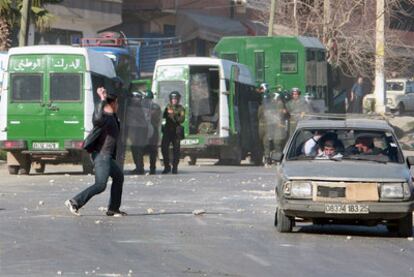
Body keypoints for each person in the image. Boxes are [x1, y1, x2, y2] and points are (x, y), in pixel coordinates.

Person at [65, 87, 126, 216]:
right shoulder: (103, 119)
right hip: (101, 156)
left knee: (119, 177)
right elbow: (97, 119)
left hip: (107, 157)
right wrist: (102, 99)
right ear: (113, 103)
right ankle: (74, 202)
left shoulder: (112, 117)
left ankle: (113, 209)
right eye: (117, 103)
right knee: (100, 185)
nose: (118, 105)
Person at [161, 91, 185, 174]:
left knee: (176, 150)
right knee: (164, 148)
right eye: (173, 99)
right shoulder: (167, 107)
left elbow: (182, 119)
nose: (174, 100)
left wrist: (174, 115)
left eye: (176, 99)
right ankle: (167, 166)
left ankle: (175, 167)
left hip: (176, 131)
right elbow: (162, 117)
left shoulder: (181, 108)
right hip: (167, 130)